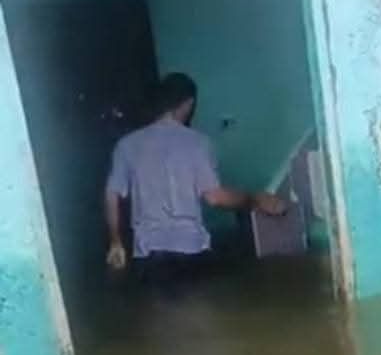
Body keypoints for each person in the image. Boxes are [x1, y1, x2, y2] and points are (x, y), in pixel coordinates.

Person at [105, 72, 285, 282]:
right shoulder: (198, 142)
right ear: (188, 104)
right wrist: (255, 199)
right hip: (191, 251)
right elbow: (215, 198)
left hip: (148, 255)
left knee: (156, 302)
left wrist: (115, 241)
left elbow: (112, 193)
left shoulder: (127, 145)